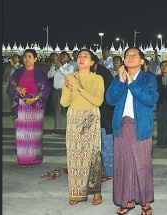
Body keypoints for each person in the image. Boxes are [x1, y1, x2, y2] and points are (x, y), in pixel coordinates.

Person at [106, 47, 159, 215]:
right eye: (127, 55)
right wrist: (121, 83)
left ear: (142, 61)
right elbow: (109, 99)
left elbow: (150, 100)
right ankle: (126, 200)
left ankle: (145, 202)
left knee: (141, 165)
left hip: (140, 127)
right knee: (123, 165)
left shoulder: (149, 79)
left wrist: (132, 82)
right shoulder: (118, 79)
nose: (130, 57)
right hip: (121, 126)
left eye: (134, 55)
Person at [60, 49, 104, 206]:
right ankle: (76, 192)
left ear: (92, 62)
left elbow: (98, 101)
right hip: (74, 117)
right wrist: (69, 87)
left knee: (93, 156)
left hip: (92, 117)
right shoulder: (69, 77)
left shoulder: (98, 78)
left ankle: (96, 193)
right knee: (74, 156)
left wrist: (80, 88)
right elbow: (64, 103)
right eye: (79, 56)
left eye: (86, 56)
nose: (82, 58)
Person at [6, 49, 51, 168]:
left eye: (30, 56)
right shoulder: (18, 72)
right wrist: (18, 89)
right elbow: (10, 86)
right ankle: (23, 159)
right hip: (21, 106)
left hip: (35, 106)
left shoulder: (39, 73)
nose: (27, 59)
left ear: (35, 59)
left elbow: (45, 89)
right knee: (22, 134)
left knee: (34, 134)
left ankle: (34, 159)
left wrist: (35, 99)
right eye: (25, 56)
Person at [91, 55, 114, 182]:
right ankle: (100, 169)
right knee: (97, 145)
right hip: (96, 114)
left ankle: (110, 171)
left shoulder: (102, 74)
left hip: (105, 113)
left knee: (107, 144)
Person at [47, 51, 74, 134]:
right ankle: (57, 127)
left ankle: (67, 127)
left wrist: (60, 68)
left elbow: (68, 75)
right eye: (61, 56)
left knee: (65, 110)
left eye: (64, 56)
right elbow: (49, 75)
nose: (62, 57)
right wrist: (55, 69)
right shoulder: (55, 66)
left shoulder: (70, 67)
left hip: (65, 91)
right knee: (56, 110)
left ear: (68, 58)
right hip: (56, 90)